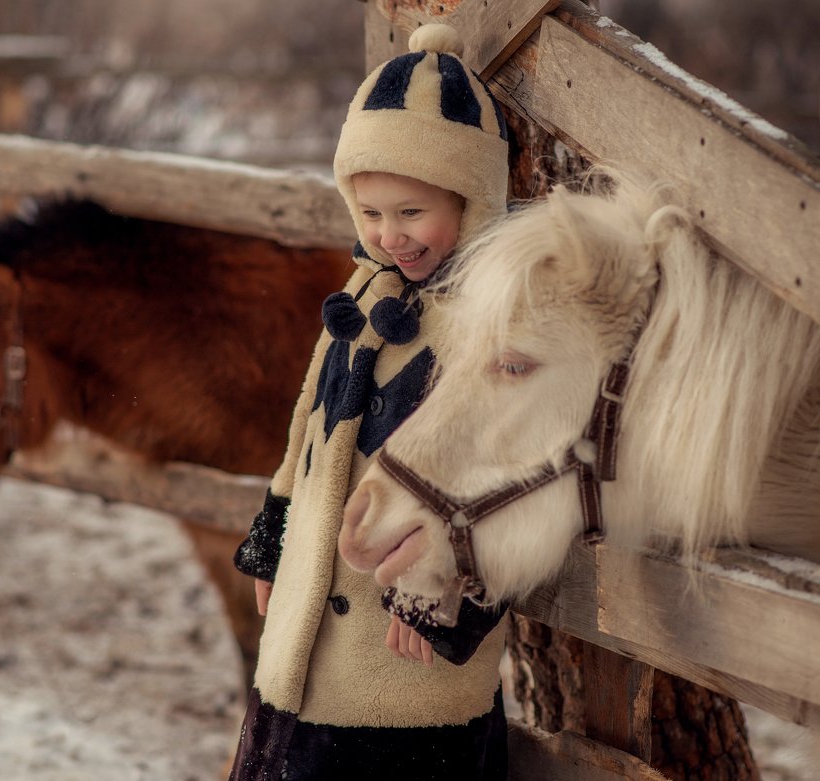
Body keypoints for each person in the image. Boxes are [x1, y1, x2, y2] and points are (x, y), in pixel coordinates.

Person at [230, 24, 511, 781]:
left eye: (413, 212)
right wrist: (276, 534)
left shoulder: (491, 322)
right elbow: (307, 431)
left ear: (472, 197)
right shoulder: (362, 294)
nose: (391, 236)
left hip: (402, 676)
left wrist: (450, 598)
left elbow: (517, 483)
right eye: (373, 213)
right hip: (302, 650)